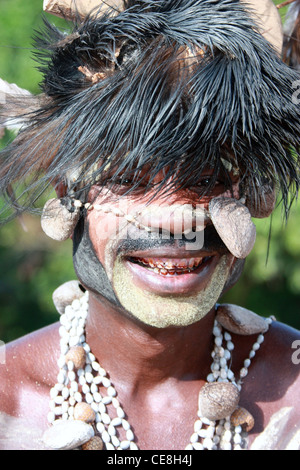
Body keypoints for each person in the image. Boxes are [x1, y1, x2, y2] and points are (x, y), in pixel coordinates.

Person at [0, 0, 300, 451]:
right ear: (68, 195)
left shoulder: (292, 391)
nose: (174, 218)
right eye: (127, 181)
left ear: (250, 194)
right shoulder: (10, 399)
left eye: (204, 180)